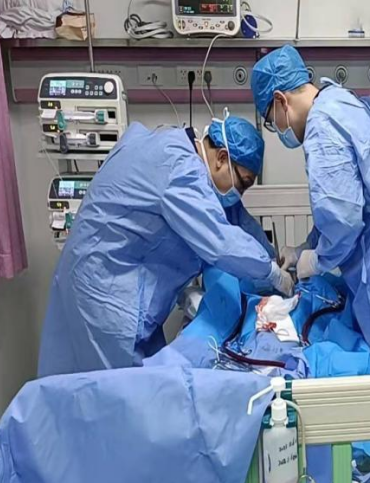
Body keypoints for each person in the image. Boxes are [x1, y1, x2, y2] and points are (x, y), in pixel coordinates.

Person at [37, 116, 293, 377]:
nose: (240, 194)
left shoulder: (170, 145)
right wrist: (270, 272)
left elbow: (234, 217)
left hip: (100, 277)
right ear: (221, 158)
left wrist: (271, 256)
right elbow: (221, 242)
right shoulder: (179, 170)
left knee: (144, 382)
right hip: (105, 295)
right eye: (244, 183)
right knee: (112, 389)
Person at [251, 45, 370, 370]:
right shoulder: (340, 101)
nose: (279, 130)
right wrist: (303, 249)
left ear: (281, 100)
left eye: (273, 122)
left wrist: (317, 260)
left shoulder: (321, 127)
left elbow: (344, 219)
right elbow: (349, 200)